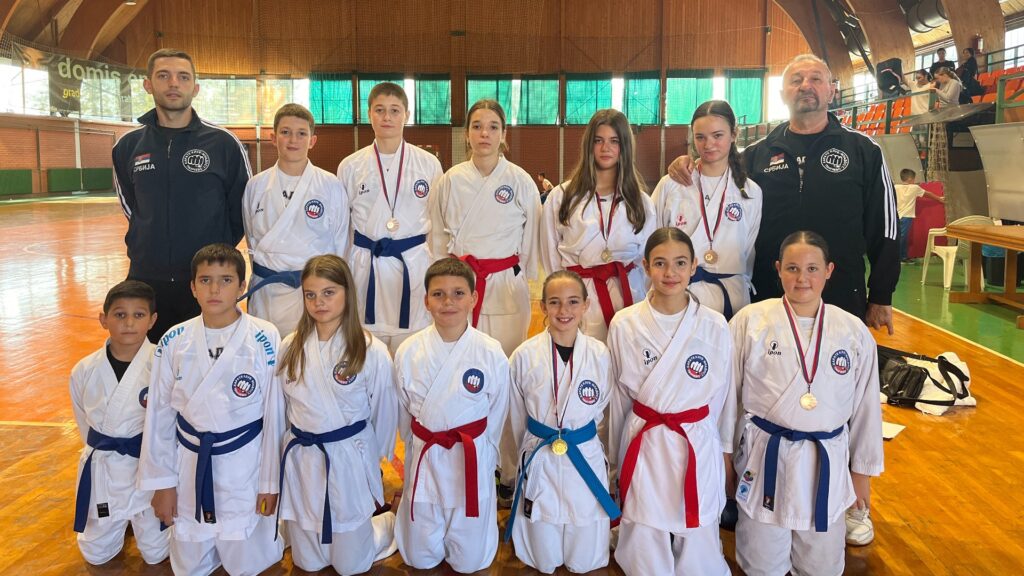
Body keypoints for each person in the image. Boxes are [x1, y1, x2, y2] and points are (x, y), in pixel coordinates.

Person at [668, 54, 899, 337]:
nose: (805, 86)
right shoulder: (755, 155)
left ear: (831, 91)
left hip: (839, 290)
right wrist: (686, 164)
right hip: (769, 290)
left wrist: (882, 293)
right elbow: (713, 174)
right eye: (796, 80)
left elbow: (885, 227)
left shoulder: (864, 151)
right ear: (782, 95)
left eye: (815, 79)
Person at [728, 231, 884, 575]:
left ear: (829, 271)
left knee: (822, 564)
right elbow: (728, 400)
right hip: (765, 456)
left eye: (812, 269)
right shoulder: (750, 321)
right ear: (778, 269)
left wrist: (861, 473)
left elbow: (866, 409)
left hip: (825, 460)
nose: (802, 278)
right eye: (793, 268)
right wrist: (726, 458)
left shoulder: (852, 331)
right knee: (761, 563)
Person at [138, 243, 285, 576]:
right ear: (192, 287)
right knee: (188, 568)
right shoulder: (174, 340)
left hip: (244, 468)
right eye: (205, 280)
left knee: (248, 566)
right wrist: (162, 484)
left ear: (242, 286)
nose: (215, 289)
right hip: (189, 466)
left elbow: (274, 416)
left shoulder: (265, 336)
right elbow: (159, 416)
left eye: (226, 280)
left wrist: (270, 482)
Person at [607, 228, 735, 576]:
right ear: (645, 266)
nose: (670, 273)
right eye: (660, 263)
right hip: (644, 436)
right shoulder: (625, 323)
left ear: (694, 266)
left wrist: (722, 451)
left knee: (698, 523)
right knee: (644, 520)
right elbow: (618, 400)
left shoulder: (714, 325)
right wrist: (615, 462)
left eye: (680, 263)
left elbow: (724, 398)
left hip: (695, 436)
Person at [113, 49, 251, 343]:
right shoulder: (127, 146)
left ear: (195, 88)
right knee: (151, 364)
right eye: (163, 76)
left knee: (210, 360)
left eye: (183, 77)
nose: (173, 83)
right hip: (147, 277)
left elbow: (243, 207)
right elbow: (132, 208)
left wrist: (214, 255)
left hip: (207, 281)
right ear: (148, 84)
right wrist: (151, 241)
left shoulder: (223, 143)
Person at [277, 255, 400, 574]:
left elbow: (385, 411)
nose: (319, 302)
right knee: (308, 562)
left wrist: (371, 458)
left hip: (348, 459)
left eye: (329, 292)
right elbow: (282, 409)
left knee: (351, 566)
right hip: (303, 458)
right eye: (311, 294)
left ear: (347, 292)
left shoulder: (370, 349)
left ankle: (387, 523)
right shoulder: (290, 346)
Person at [392, 257, 510, 573]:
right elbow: (403, 412)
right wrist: (414, 447)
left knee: (471, 562)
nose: (448, 302)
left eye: (458, 293)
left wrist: (486, 453)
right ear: (426, 301)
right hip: (426, 455)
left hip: (470, 457)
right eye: (439, 294)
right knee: (418, 559)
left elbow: (497, 413)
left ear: (474, 298)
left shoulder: (490, 351)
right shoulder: (409, 351)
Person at [505, 270, 620, 573]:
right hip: (541, 452)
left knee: (584, 559)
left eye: (572, 302)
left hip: (585, 452)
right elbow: (516, 417)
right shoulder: (524, 356)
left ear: (586, 305)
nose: (563, 310)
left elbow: (603, 412)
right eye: (554, 302)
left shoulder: (600, 354)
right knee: (543, 558)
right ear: (542, 306)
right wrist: (524, 451)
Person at [430, 99, 541, 356]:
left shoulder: (520, 181)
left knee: (507, 358)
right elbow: (436, 237)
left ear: (503, 134)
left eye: (493, 127)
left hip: (506, 285)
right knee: (459, 358)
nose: (484, 133)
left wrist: (521, 274)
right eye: (477, 126)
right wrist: (443, 279)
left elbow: (532, 237)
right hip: (460, 283)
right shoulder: (450, 180)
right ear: (466, 134)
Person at [339, 82, 443, 356]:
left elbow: (437, 222)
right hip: (366, 266)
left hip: (413, 264)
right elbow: (343, 227)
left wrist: (438, 268)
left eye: (395, 110)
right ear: (369, 114)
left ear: (406, 115)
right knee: (367, 352)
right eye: (380, 110)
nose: (387, 117)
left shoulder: (428, 164)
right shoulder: (350, 165)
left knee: (413, 350)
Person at [70, 280, 169, 566]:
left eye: (138, 315)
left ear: (152, 320)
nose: (129, 323)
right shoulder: (85, 369)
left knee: (156, 553)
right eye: (120, 314)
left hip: (149, 470)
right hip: (105, 469)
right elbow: (85, 425)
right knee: (96, 554)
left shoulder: (162, 363)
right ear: (104, 319)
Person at [540, 109, 656, 343]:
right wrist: (566, 296)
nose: (606, 148)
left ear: (625, 147)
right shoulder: (562, 196)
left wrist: (635, 289)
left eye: (614, 141)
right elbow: (550, 255)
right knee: (582, 361)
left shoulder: (640, 201)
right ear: (588, 145)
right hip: (578, 298)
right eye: (598, 140)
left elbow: (647, 260)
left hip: (628, 295)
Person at [242, 103, 348, 337]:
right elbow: (252, 241)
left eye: (301, 133)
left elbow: (340, 243)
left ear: (312, 141)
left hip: (313, 292)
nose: (293, 140)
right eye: (285, 132)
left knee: (311, 352)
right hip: (267, 292)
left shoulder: (330, 185)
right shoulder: (255, 185)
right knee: (267, 351)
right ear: (273, 138)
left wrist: (331, 288)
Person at [651, 100, 762, 320]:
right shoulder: (671, 185)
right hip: (679, 293)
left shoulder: (750, 191)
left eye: (717, 135)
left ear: (734, 134)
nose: (708, 144)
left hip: (732, 295)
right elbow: (653, 240)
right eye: (700, 137)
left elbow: (748, 250)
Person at [895, 168, 945, 263]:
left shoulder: (896, 187)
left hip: (896, 216)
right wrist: (939, 199)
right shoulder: (914, 188)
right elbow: (928, 194)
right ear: (910, 179)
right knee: (903, 237)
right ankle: (900, 258)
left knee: (900, 236)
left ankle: (902, 256)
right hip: (907, 216)